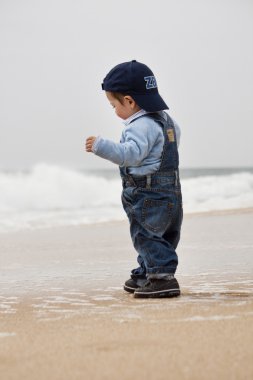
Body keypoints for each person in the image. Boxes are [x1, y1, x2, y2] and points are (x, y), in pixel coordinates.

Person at [85, 60, 183, 298]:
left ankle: (162, 279)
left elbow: (130, 155)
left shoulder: (139, 125)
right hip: (171, 191)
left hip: (146, 193)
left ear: (129, 101)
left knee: (145, 234)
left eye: (113, 105)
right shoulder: (166, 120)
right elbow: (172, 142)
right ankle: (146, 272)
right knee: (162, 235)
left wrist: (100, 146)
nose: (115, 111)